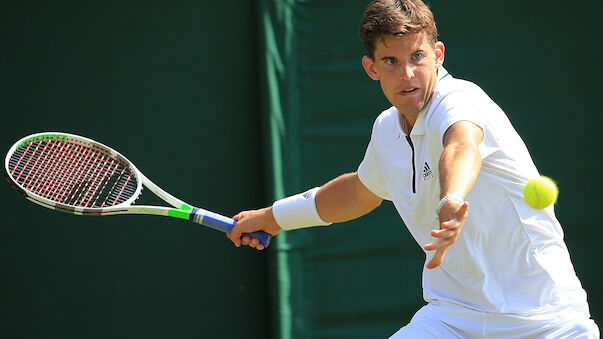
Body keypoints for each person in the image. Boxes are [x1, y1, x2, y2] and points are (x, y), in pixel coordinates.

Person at [227, 0, 600, 337]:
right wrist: (272, 217)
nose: (406, 74)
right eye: (391, 61)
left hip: (548, 320)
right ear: (371, 68)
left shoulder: (461, 101)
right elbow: (358, 192)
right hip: (453, 317)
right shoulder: (386, 129)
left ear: (438, 55)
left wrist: (451, 198)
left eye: (417, 57)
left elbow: (461, 145)